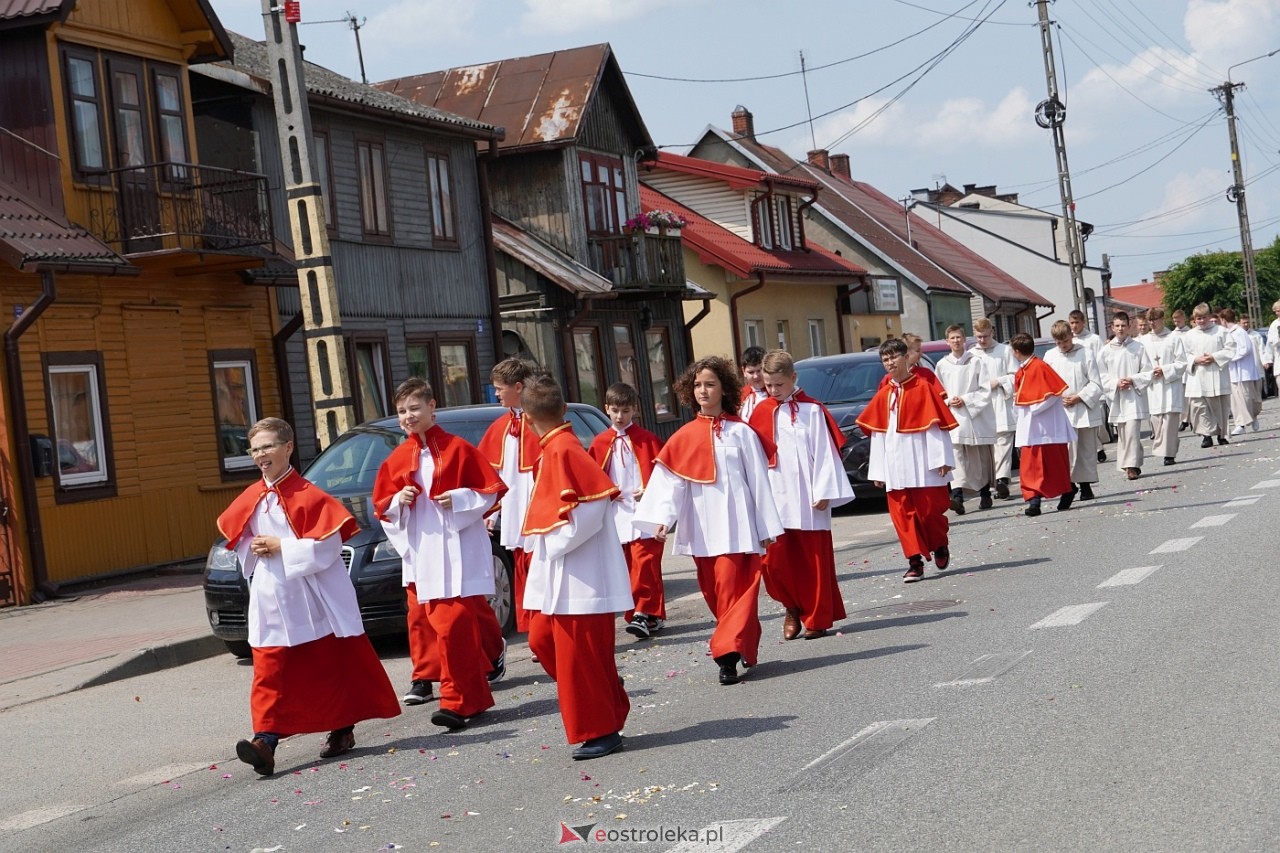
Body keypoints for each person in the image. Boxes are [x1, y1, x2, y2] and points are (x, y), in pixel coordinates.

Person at [219, 418, 400, 776]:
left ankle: (342, 728)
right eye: (255, 449)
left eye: (268, 446)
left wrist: (280, 546)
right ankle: (265, 741)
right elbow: (241, 540)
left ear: (288, 447)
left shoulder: (310, 495)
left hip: (313, 593)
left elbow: (329, 547)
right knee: (269, 666)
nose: (261, 455)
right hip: (271, 593)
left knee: (327, 664)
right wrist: (253, 546)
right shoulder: (254, 497)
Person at [635, 356, 783, 686]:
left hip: (738, 524)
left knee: (733, 589)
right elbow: (671, 483)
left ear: (724, 389)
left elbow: (759, 481)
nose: (703, 390)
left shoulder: (742, 434)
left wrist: (767, 527)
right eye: (698, 385)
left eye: (710, 384)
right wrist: (662, 519)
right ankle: (741, 638)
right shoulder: (684, 436)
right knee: (715, 594)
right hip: (701, 527)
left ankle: (726, 656)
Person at [373, 379, 509, 730]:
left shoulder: (459, 448)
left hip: (458, 552)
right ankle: (466, 697)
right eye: (402, 411)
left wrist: (461, 499)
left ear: (432, 407)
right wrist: (396, 502)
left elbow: (490, 492)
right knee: (440, 627)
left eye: (415, 408)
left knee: (455, 627)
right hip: (423, 554)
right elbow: (382, 509)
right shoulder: (397, 458)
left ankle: (459, 700)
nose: (408, 416)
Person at [521, 375, 632, 760]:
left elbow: (594, 507)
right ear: (565, 408)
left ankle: (602, 729)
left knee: (579, 654)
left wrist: (551, 543)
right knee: (542, 640)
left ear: (526, 417)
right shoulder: (552, 449)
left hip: (583, 574)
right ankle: (605, 691)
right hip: (557, 571)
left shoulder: (565, 449)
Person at [750, 349, 854, 640]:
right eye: (768, 385)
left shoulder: (812, 410)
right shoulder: (760, 411)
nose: (772, 390)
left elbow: (824, 452)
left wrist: (824, 490)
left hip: (807, 495)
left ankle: (817, 618)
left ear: (793, 378)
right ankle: (791, 606)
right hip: (774, 495)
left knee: (813, 559)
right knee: (774, 561)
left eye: (778, 385)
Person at [857, 338, 958, 582]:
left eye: (894, 357)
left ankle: (939, 544)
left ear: (906, 358)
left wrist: (942, 458)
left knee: (929, 513)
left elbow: (936, 427)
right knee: (902, 516)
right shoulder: (884, 395)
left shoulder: (923, 387)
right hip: (894, 463)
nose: (890, 362)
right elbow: (878, 434)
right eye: (885, 359)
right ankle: (914, 561)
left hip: (923, 461)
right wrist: (878, 470)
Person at [588, 382, 667, 640]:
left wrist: (649, 491)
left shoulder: (647, 439)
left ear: (634, 410)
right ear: (606, 410)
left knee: (646, 564)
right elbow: (592, 477)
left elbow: (663, 475)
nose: (620, 417)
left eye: (625, 411)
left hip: (644, 512)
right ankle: (649, 614)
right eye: (615, 411)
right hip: (616, 514)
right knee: (626, 566)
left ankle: (642, 613)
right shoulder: (600, 443)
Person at [477, 358, 541, 635]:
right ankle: (531, 630)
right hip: (514, 511)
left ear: (518, 386)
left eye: (500, 388)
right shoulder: (500, 427)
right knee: (521, 569)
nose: (496, 394)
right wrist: (490, 514)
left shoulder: (541, 421)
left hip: (536, 509)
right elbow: (490, 477)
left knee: (540, 571)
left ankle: (543, 629)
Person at [1010, 333, 1076, 516]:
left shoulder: (1039, 367)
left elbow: (1054, 393)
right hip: (1029, 427)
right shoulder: (1022, 371)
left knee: (1054, 464)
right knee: (1030, 466)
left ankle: (1068, 489)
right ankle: (1034, 500)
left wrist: (1034, 407)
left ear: (1016, 352)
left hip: (1047, 426)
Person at [935, 323, 996, 513]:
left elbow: (985, 388)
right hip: (953, 416)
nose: (956, 341)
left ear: (965, 340)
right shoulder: (942, 365)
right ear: (947, 342)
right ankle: (958, 497)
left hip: (973, 415)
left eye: (958, 337)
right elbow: (939, 391)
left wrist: (966, 399)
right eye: (952, 338)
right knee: (956, 457)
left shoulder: (976, 361)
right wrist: (948, 401)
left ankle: (985, 494)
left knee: (979, 457)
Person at [1044, 320, 1104, 500]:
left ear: (1072, 336)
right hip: (1061, 409)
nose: (1063, 346)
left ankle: (1085, 486)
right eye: (1059, 343)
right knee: (1066, 451)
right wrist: (1057, 397)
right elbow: (1046, 383)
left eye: (1066, 342)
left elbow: (1096, 383)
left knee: (1086, 449)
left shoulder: (1085, 353)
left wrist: (1079, 396)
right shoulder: (1050, 356)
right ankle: (1068, 484)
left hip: (1083, 406)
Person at [1096, 312, 1154, 481]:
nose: (1120, 329)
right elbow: (1101, 375)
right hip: (1117, 397)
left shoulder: (1138, 348)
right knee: (1124, 433)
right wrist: (1115, 383)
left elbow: (1147, 371)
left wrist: (1132, 380)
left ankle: (1131, 467)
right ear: (1112, 328)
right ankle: (1134, 460)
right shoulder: (1105, 351)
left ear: (1129, 327)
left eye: (1123, 325)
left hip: (1134, 396)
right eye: (1117, 326)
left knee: (1132, 430)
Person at [968, 318, 1019, 500]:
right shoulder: (971, 354)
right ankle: (990, 483)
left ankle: (1003, 480)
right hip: (981, 407)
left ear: (993, 333)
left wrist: (999, 381)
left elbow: (1016, 376)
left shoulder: (1004, 351)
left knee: (1003, 444)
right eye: (979, 337)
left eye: (985, 336)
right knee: (986, 448)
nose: (982, 340)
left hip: (1000, 402)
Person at [1138, 307, 1188, 466]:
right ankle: (1169, 446)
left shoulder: (1173, 338)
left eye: (1155, 319)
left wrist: (1165, 370)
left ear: (1162, 319)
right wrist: (1150, 373)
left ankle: (1169, 454)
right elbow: (1139, 364)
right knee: (1157, 422)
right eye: (1150, 320)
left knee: (1170, 421)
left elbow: (1181, 363)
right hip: (1153, 386)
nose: (1152, 323)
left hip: (1170, 385)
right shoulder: (1143, 341)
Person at [1182, 303, 1236, 448]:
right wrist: (1195, 360)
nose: (1202, 321)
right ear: (1194, 319)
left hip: (1216, 374)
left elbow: (1230, 349)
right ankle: (1206, 435)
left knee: (1219, 406)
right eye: (1198, 318)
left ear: (1210, 317)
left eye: (1204, 318)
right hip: (1198, 376)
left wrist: (1214, 357)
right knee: (1199, 407)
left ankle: (1221, 434)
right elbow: (1183, 356)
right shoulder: (1189, 335)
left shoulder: (1221, 331)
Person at [1068, 309, 1108, 464]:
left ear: (1083, 322)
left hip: (1092, 384)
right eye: (1072, 322)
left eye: (1077, 322)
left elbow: (1099, 361)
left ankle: (1099, 445)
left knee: (1095, 422)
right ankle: (1097, 449)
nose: (1074, 326)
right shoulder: (1069, 339)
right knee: (1081, 424)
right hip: (1075, 388)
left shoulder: (1094, 339)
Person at [1220, 308, 1263, 434]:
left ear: (1223, 319)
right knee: (1236, 399)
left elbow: (1245, 349)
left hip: (1244, 371)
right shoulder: (1227, 333)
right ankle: (1241, 424)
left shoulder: (1239, 332)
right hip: (1233, 371)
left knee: (1247, 398)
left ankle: (1252, 417)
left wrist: (1231, 356)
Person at [738, 346, 770, 421]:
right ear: (743, 371)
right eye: (751, 372)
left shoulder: (777, 393)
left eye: (759, 371)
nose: (756, 376)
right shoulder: (740, 396)